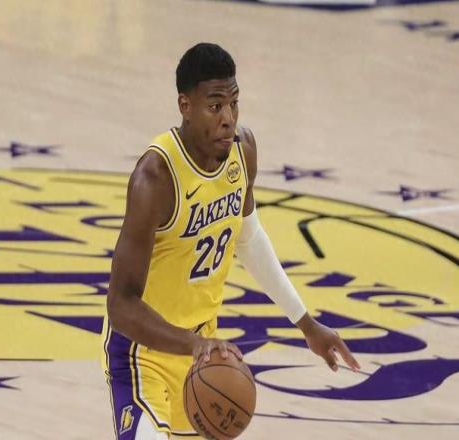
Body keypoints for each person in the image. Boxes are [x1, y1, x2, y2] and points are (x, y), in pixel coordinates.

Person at [101, 42, 360, 440]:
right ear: (185, 106)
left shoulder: (243, 150)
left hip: (201, 351)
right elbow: (120, 306)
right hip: (142, 354)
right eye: (215, 106)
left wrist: (306, 323)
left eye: (234, 104)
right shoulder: (155, 178)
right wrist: (192, 344)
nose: (228, 119)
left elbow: (249, 238)